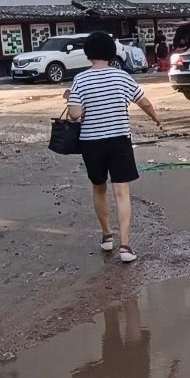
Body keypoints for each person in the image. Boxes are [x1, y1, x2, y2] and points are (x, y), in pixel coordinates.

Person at [65, 31, 162, 263]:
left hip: (92, 142)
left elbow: (75, 114)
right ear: (111, 52)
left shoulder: (80, 79)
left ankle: (107, 236)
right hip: (119, 140)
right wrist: (155, 118)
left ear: (88, 54)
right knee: (122, 192)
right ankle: (125, 246)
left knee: (99, 188)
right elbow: (143, 101)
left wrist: (71, 99)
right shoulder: (122, 77)